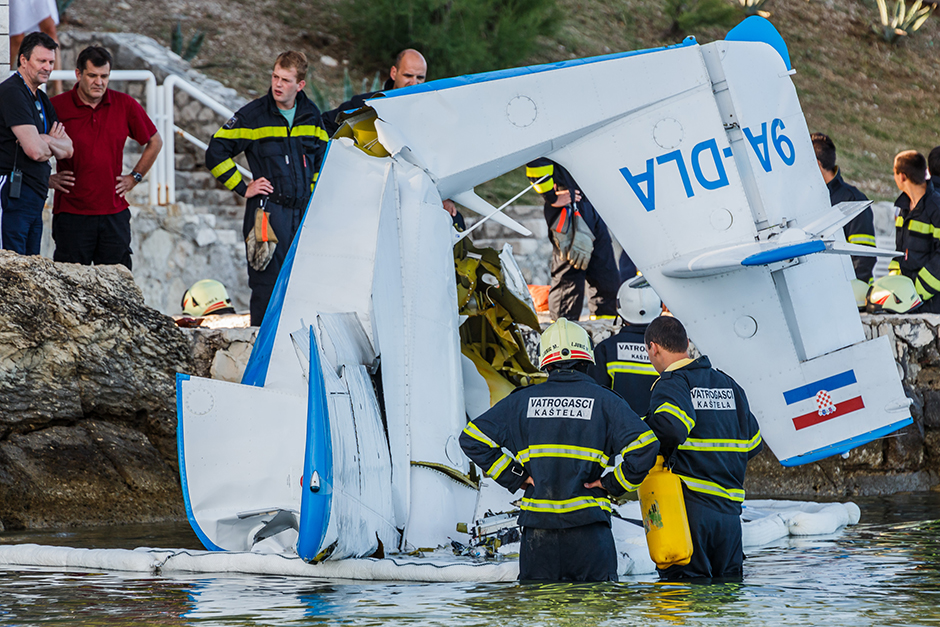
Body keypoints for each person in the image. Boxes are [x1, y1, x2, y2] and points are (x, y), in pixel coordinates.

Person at [459, 318, 659, 582]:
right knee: (595, 613)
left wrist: (516, 476)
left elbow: (472, 439)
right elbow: (647, 446)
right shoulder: (606, 401)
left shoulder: (521, 401)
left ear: (546, 360)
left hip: (538, 538)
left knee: (539, 614)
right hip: (590, 533)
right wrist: (611, 483)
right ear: (586, 359)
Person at [205, 51, 328, 326]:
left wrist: (314, 198)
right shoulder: (253, 115)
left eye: (285, 79)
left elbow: (322, 159)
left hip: (302, 216)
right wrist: (242, 186)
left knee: (302, 285)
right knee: (266, 286)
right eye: (275, 77)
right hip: (267, 216)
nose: (278, 84)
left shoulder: (311, 116)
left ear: (300, 85)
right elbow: (215, 152)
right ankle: (261, 351)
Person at [643, 316, 762, 580]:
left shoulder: (673, 383)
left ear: (653, 348)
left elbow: (672, 427)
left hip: (688, 511)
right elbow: (754, 444)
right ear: (686, 343)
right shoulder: (730, 385)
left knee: (685, 598)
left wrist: (643, 427)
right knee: (727, 599)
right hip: (730, 517)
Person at [48, 46, 162, 270]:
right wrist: (47, 178)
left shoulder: (124, 104)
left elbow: (155, 141)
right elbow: (29, 144)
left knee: (118, 291)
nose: (99, 82)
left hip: (114, 215)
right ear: (78, 74)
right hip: (72, 214)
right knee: (71, 289)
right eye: (92, 75)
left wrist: (134, 177)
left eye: (104, 76)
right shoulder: (56, 107)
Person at [0, 32, 72, 254]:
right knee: (10, 271)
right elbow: (33, 151)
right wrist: (48, 143)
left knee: (30, 274)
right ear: (23, 59)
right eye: (42, 61)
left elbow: (68, 149)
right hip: (12, 196)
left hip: (35, 198)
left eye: (51, 62)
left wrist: (46, 139)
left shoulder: (41, 97)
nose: (48, 67)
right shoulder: (12, 92)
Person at [526, 158, 620, 321]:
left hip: (589, 204)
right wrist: (552, 197)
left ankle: (605, 332)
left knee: (606, 278)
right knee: (568, 283)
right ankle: (564, 337)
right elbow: (536, 163)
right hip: (568, 209)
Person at [811, 133, 876, 283]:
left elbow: (863, 257)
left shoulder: (852, 200)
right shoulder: (808, 199)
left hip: (847, 294)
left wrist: (849, 293)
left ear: (816, 164)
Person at [589, 282, 662, 416]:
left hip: (618, 433)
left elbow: (594, 398)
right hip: (658, 433)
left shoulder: (606, 349)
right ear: (658, 308)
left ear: (620, 308)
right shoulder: (668, 350)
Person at [321, 49, 427, 136]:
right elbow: (325, 123)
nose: (414, 83)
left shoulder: (428, 113)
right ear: (394, 73)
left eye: (420, 77)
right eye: (408, 76)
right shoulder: (367, 104)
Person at [889, 150, 940, 314]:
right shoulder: (903, 209)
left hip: (931, 305)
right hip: (907, 301)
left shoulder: (936, 208)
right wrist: (894, 286)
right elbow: (899, 253)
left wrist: (917, 291)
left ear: (902, 176)